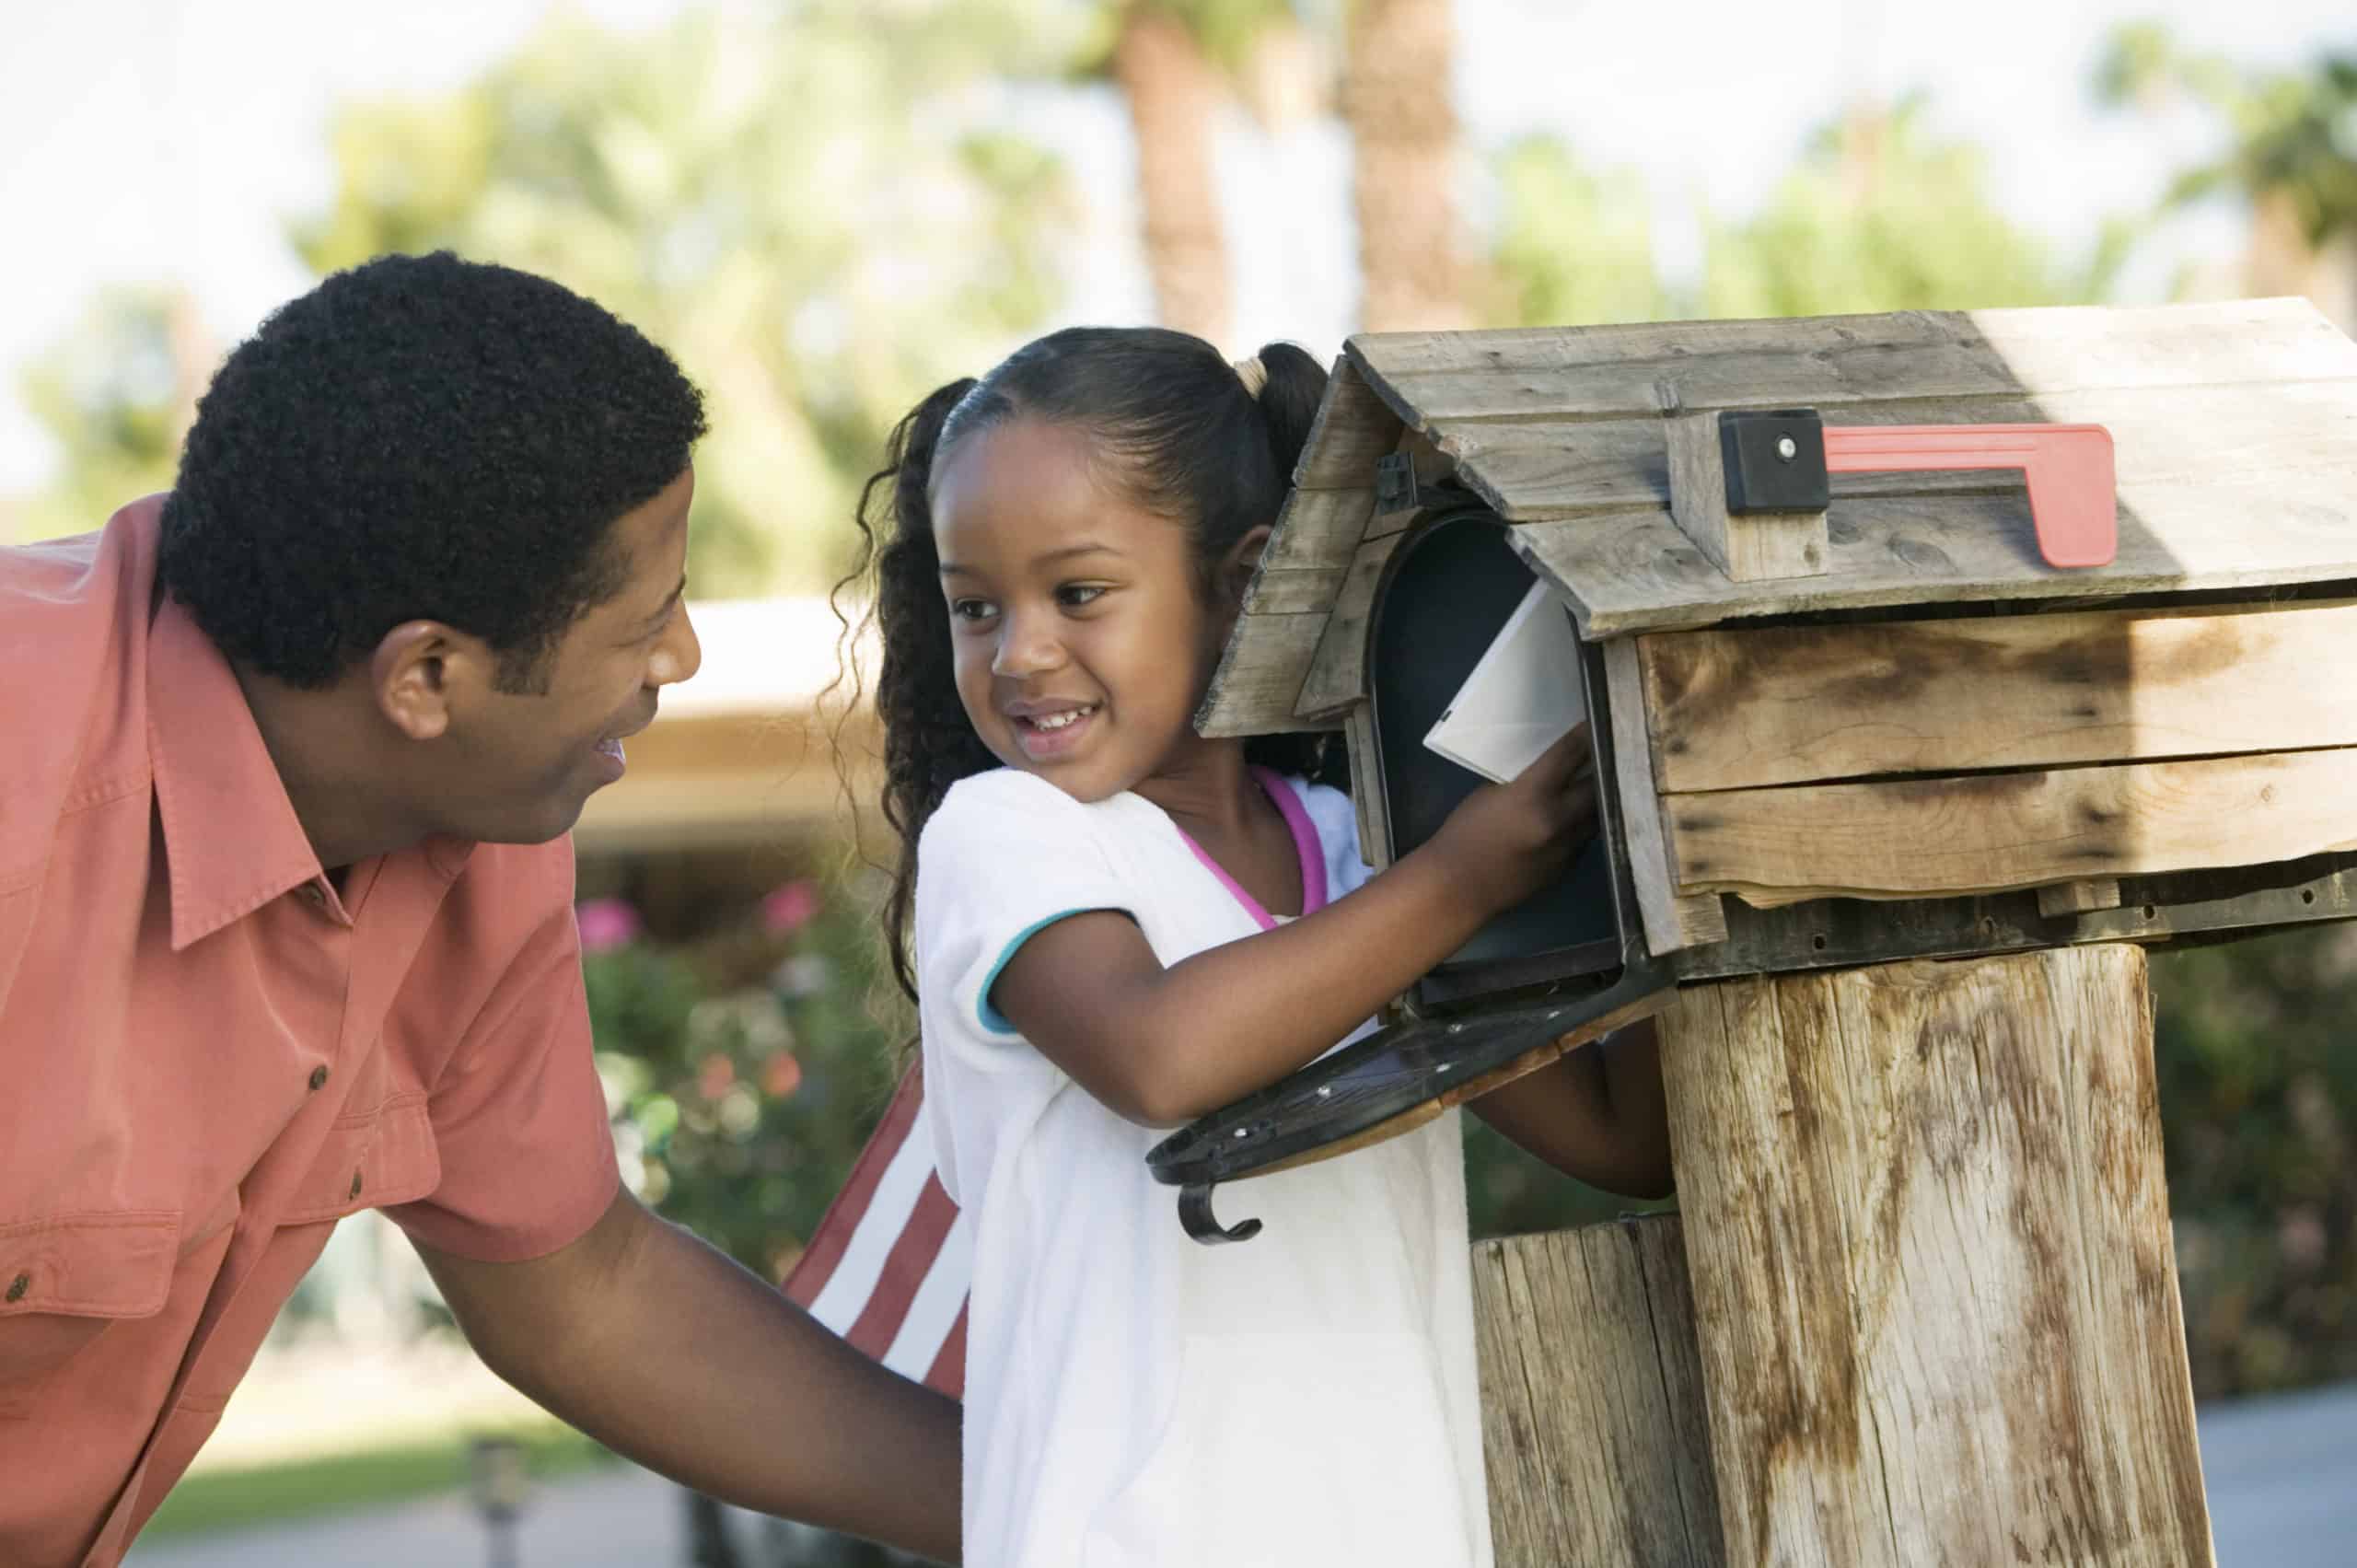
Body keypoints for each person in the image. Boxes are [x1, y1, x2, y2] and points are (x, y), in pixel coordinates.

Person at [0, 252, 958, 1568]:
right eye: (646, 622)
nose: (680, 660)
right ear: (428, 676)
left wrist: (1060, 1502)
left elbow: (585, 1291)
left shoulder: (468, 820)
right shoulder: (25, 780)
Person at [845, 325, 1673, 1568]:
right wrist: (1461, 879)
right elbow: (1158, 1054)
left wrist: (1670, 828)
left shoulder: (1357, 850)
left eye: (1077, 594)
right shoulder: (1011, 834)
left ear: (1242, 583)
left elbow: (1621, 1139)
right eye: (977, 607)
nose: (1019, 653)